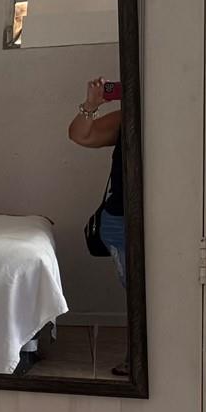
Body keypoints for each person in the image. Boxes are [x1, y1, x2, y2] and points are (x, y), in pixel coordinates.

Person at [68, 76, 128, 377]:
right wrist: (91, 105)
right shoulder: (126, 118)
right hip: (120, 220)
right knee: (137, 291)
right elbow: (81, 135)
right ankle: (139, 356)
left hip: (168, 216)